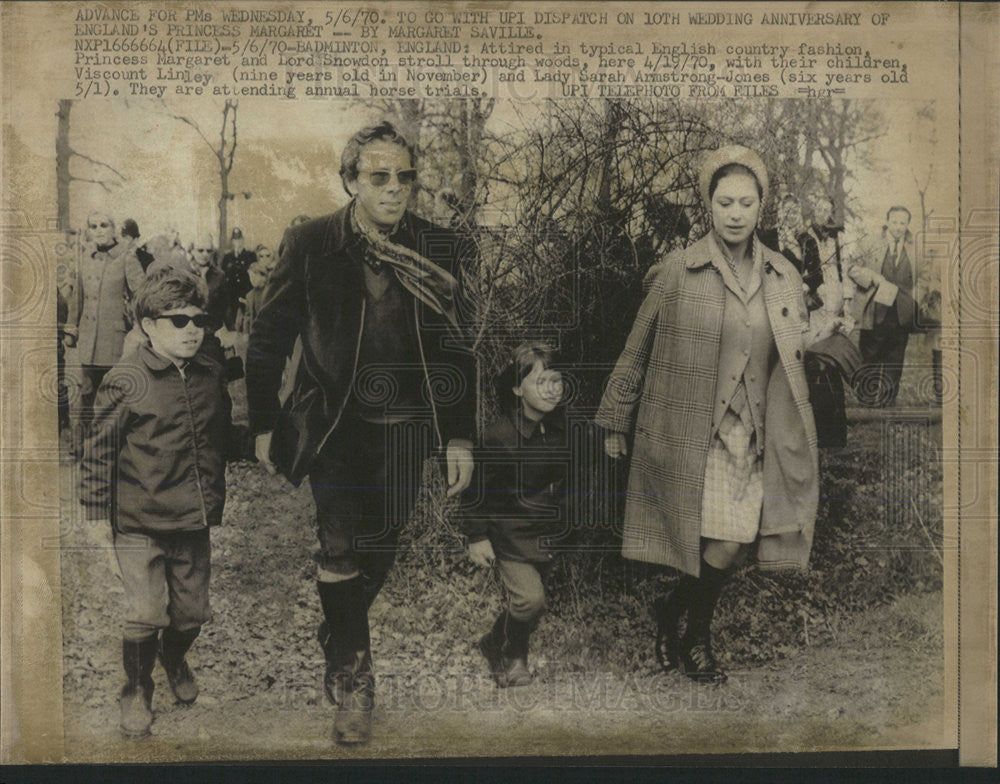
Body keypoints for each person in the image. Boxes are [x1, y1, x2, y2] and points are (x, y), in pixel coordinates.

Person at [246, 120, 477, 744]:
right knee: (340, 549)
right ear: (350, 181)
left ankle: (337, 626)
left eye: (405, 178)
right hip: (334, 426)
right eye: (380, 177)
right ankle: (354, 679)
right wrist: (264, 423)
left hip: (404, 429)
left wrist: (457, 437)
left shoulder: (440, 248)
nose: (395, 189)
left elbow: (459, 352)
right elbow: (269, 336)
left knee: (380, 551)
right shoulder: (312, 242)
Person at [596, 146, 831, 684]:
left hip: (752, 433)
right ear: (708, 204)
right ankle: (696, 638)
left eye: (746, 202)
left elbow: (791, 353)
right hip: (691, 428)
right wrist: (616, 418)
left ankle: (674, 614)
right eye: (724, 201)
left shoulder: (783, 275)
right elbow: (638, 345)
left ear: (761, 206)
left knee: (733, 539)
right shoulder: (677, 270)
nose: (734, 213)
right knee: (697, 534)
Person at [79, 267, 231, 738]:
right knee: (145, 612)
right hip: (139, 521)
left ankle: (174, 657)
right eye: (177, 321)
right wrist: (93, 514)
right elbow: (99, 449)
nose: (192, 331)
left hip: (193, 520)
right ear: (147, 325)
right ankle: (137, 688)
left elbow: (222, 437)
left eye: (198, 320)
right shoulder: (126, 379)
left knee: (190, 615)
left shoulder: (210, 374)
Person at [463, 341, 568, 688]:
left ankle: (502, 647)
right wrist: (477, 536)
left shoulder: (561, 430)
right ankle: (507, 651)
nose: (551, 389)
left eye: (556, 380)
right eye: (540, 382)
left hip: (546, 533)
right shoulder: (498, 436)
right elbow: (475, 490)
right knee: (529, 600)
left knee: (532, 604)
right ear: (516, 388)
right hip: (509, 535)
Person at [72, 212, 145, 451]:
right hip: (88, 337)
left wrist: (141, 327)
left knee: (112, 394)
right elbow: (78, 296)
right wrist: (72, 329)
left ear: (114, 229)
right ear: (89, 231)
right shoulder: (85, 257)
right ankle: (81, 445)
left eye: (104, 225)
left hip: (113, 339)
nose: (99, 230)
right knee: (86, 394)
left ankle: (111, 447)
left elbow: (141, 294)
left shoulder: (126, 256)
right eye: (93, 226)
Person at [847, 206, 919, 407]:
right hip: (875, 310)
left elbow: (924, 276)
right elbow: (851, 267)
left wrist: (916, 298)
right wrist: (873, 278)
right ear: (887, 221)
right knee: (870, 355)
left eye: (903, 223)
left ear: (907, 225)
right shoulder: (871, 242)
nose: (898, 227)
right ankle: (866, 400)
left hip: (901, 314)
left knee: (895, 359)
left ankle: (888, 402)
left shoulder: (914, 248)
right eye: (895, 222)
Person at [221, 228, 257, 328]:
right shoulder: (227, 256)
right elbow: (224, 273)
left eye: (239, 239)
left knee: (247, 316)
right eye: (235, 240)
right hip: (232, 292)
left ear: (243, 240)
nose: (237, 242)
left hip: (246, 290)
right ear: (232, 241)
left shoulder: (250, 255)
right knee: (232, 317)